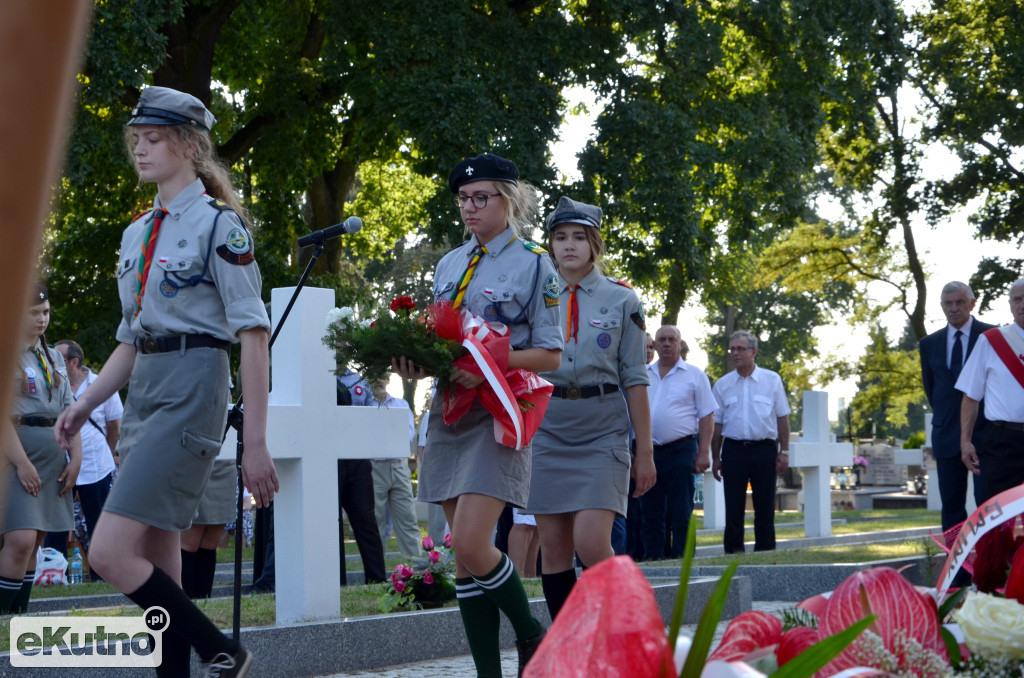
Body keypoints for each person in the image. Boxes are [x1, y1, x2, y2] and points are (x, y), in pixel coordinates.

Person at [55, 86, 278, 678]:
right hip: (146, 388)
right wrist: (84, 404)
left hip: (195, 383)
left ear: (189, 145)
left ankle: (221, 649)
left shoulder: (220, 227)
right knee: (160, 560)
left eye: (154, 139)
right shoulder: (136, 235)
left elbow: (252, 335)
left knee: (107, 553)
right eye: (136, 140)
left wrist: (255, 440)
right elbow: (131, 340)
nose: (142, 150)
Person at [393, 152, 560, 677]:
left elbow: (551, 355)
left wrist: (485, 362)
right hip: (448, 412)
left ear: (508, 200)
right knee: (463, 557)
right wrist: (414, 361)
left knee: (470, 540)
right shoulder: (449, 264)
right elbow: (441, 341)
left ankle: (535, 634)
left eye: (481, 197)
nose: (469, 207)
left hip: (498, 413)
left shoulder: (536, 263)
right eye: (463, 199)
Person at [525, 196, 655, 620]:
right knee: (555, 547)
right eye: (560, 237)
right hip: (547, 426)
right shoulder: (536, 296)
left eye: (579, 237)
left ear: (595, 244)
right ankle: (569, 643)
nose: (568, 246)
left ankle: (622, 628)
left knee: (592, 541)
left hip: (602, 429)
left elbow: (635, 377)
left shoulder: (623, 300)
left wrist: (646, 452)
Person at [1, 285, 80, 613]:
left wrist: (76, 459)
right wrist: (21, 463)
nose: (41, 318)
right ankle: (3, 615)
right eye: (34, 312)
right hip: (17, 453)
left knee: (34, 543)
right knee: (18, 539)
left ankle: (16, 618)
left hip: (51, 457)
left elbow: (69, 412)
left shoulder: (53, 359)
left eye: (45, 312)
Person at [920, 281, 994, 532]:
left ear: (972, 303)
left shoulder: (992, 336)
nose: (954, 308)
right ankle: (958, 569)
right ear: (941, 306)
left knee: (989, 505)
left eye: (960, 302)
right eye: (948, 303)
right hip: (946, 436)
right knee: (952, 508)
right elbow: (932, 390)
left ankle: (989, 568)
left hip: (987, 436)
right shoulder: (929, 344)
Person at [710, 331, 791, 553]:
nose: (735, 353)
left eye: (740, 349)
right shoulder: (722, 385)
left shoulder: (772, 380)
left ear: (753, 352)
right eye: (732, 349)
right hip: (734, 450)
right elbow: (716, 425)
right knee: (733, 508)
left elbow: (782, 417)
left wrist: (784, 451)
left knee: (765, 506)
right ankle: (733, 555)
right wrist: (715, 457)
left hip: (764, 450)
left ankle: (765, 554)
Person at [639, 325, 715, 560]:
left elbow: (707, 415)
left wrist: (703, 452)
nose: (666, 344)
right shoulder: (643, 375)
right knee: (650, 511)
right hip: (647, 452)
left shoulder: (694, 375)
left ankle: (682, 558)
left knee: (681, 510)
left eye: (672, 339)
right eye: (661, 339)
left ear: (680, 344)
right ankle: (654, 557)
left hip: (681, 449)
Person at [52, 339, 121, 578]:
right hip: (59, 467)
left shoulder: (100, 384)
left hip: (96, 466)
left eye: (58, 358)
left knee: (99, 524)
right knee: (57, 525)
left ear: (74, 362)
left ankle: (103, 575)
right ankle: (53, 574)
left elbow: (114, 427)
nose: (52, 362)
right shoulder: (52, 383)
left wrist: (107, 456)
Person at [957, 277, 1024, 500]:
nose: (1022, 305)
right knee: (1000, 512)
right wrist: (965, 441)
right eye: (1017, 299)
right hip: (1002, 442)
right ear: (1010, 304)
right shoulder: (991, 341)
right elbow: (970, 396)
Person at [336, 370, 387, 585]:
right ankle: (335, 580)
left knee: (365, 519)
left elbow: (373, 416)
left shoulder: (361, 381)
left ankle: (376, 578)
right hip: (328, 455)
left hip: (357, 457)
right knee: (330, 521)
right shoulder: (314, 374)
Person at [367, 379, 422, 558]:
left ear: (388, 379)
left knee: (408, 518)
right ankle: (378, 572)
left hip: (399, 466)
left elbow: (407, 434)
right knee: (376, 521)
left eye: (383, 376)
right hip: (374, 466)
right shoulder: (365, 405)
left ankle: (417, 568)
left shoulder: (401, 404)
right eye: (375, 376)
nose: (379, 380)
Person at [180, 458, 234, 599]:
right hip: (194, 459)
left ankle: (204, 601)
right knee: (189, 544)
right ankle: (185, 603)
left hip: (224, 464)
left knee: (211, 543)